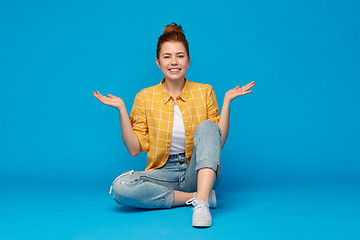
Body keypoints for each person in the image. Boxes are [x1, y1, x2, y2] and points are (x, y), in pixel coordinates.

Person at [93, 22, 255, 228]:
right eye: (167, 57)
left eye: (180, 56)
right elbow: (134, 150)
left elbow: (217, 142)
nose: (173, 62)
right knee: (121, 187)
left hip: (199, 170)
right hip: (163, 172)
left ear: (188, 61)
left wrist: (227, 102)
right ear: (158, 63)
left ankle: (202, 204)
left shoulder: (204, 91)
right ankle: (194, 196)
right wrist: (122, 109)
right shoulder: (145, 97)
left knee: (207, 126)